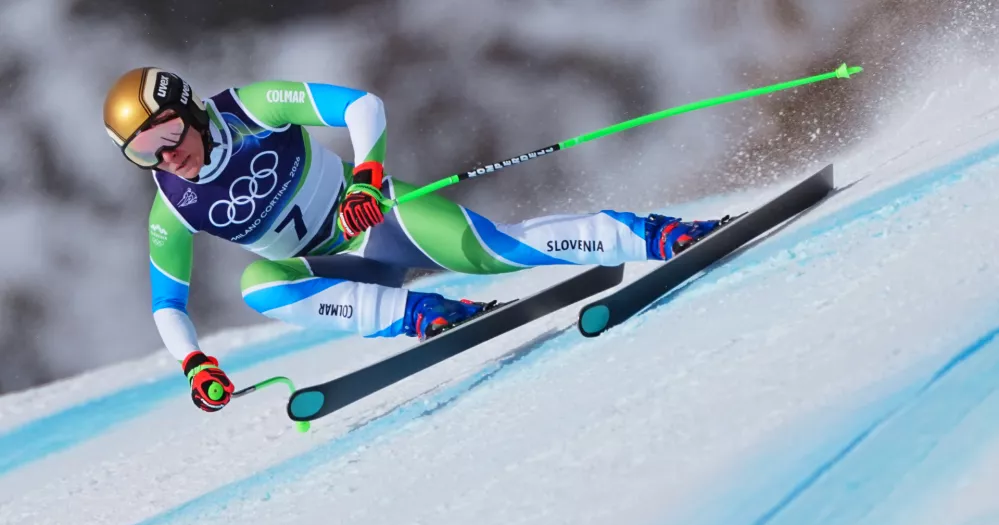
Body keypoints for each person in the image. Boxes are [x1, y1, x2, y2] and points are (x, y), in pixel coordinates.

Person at [102, 67, 727, 413]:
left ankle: (656, 235)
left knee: (495, 252)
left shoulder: (251, 107)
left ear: (190, 108)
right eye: (143, 153)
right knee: (257, 285)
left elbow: (361, 106)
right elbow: (167, 303)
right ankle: (424, 315)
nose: (168, 156)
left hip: (379, 219)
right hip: (339, 269)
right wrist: (194, 362)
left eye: (169, 132)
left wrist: (369, 175)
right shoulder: (172, 209)